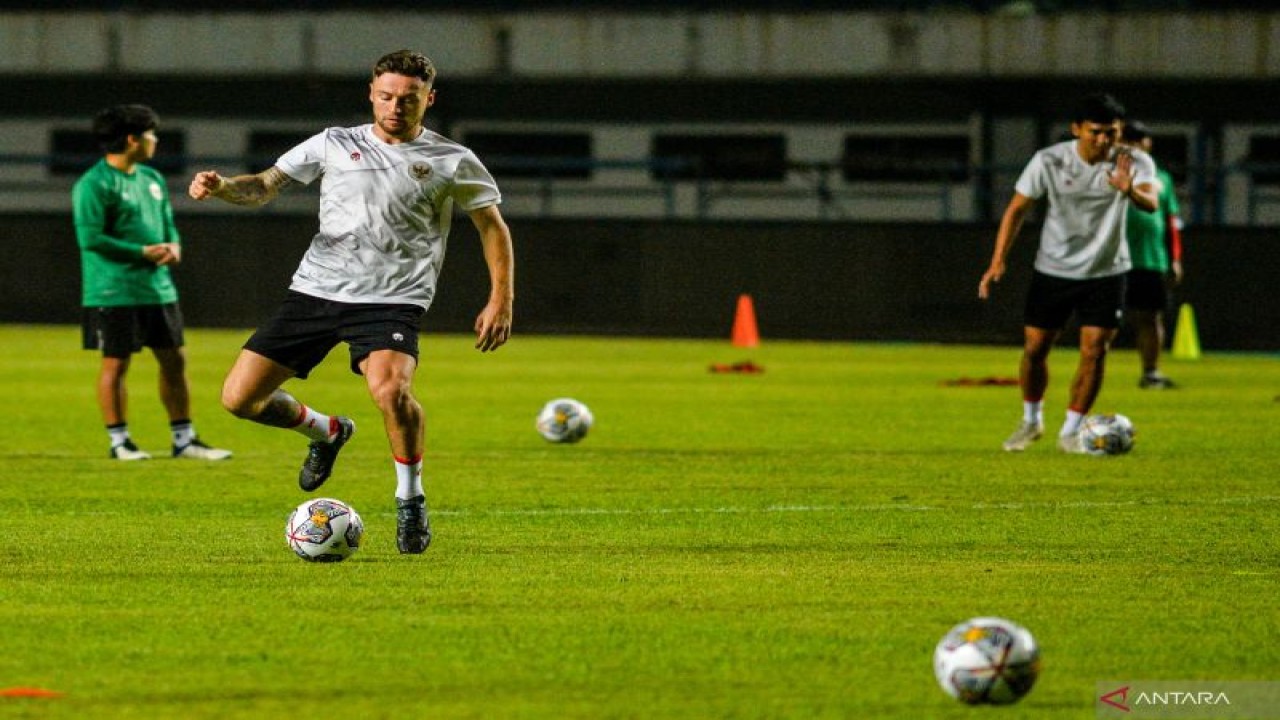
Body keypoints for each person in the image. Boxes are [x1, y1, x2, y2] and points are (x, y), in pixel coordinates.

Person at [187, 49, 514, 554]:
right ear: (371, 94)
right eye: (386, 96)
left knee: (391, 391)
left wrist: (501, 299)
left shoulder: (451, 159)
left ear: (429, 99)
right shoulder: (334, 143)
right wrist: (224, 187)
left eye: (408, 98)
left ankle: (410, 500)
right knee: (239, 399)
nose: (395, 106)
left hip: (393, 298)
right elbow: (265, 185)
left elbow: (492, 227)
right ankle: (327, 431)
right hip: (315, 291)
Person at [978, 92, 1158, 453]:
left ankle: (1071, 431)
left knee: (1095, 350)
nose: (1104, 140)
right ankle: (1031, 420)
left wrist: (1130, 192)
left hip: (1107, 270)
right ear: (1077, 129)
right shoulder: (1049, 161)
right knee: (1035, 349)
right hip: (1054, 269)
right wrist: (998, 260)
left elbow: (1152, 202)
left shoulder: (1134, 161)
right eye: (1096, 132)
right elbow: (1016, 209)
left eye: (1111, 132)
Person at [73, 104, 233, 462]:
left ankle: (184, 440)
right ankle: (120, 442)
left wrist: (173, 245)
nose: (155, 140)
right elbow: (91, 239)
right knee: (115, 364)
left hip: (158, 289)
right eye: (150, 134)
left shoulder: (152, 179)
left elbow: (167, 224)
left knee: (174, 361)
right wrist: (143, 251)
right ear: (132, 139)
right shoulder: (93, 184)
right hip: (113, 290)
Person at [1119, 120, 1184, 389]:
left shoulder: (1161, 177)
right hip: (1115, 257)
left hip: (1151, 258)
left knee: (1151, 316)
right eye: (1129, 139)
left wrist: (1175, 258)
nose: (1134, 144)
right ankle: (1092, 370)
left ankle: (1151, 372)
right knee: (1104, 320)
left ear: (1148, 143)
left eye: (1139, 139)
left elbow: (1170, 221)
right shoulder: (1110, 171)